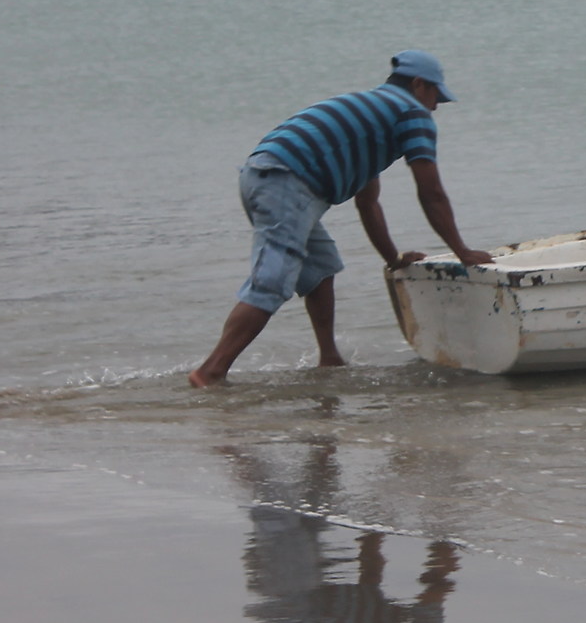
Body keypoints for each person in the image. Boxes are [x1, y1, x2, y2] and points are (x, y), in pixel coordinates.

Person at [189, 50, 493, 387]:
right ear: (420, 85)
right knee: (273, 281)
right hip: (288, 183)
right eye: (436, 96)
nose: (435, 107)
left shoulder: (372, 113)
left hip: (262, 176)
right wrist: (463, 252)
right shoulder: (411, 112)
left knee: (321, 269)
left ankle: (329, 360)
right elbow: (431, 191)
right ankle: (211, 371)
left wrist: (393, 259)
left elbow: (368, 203)